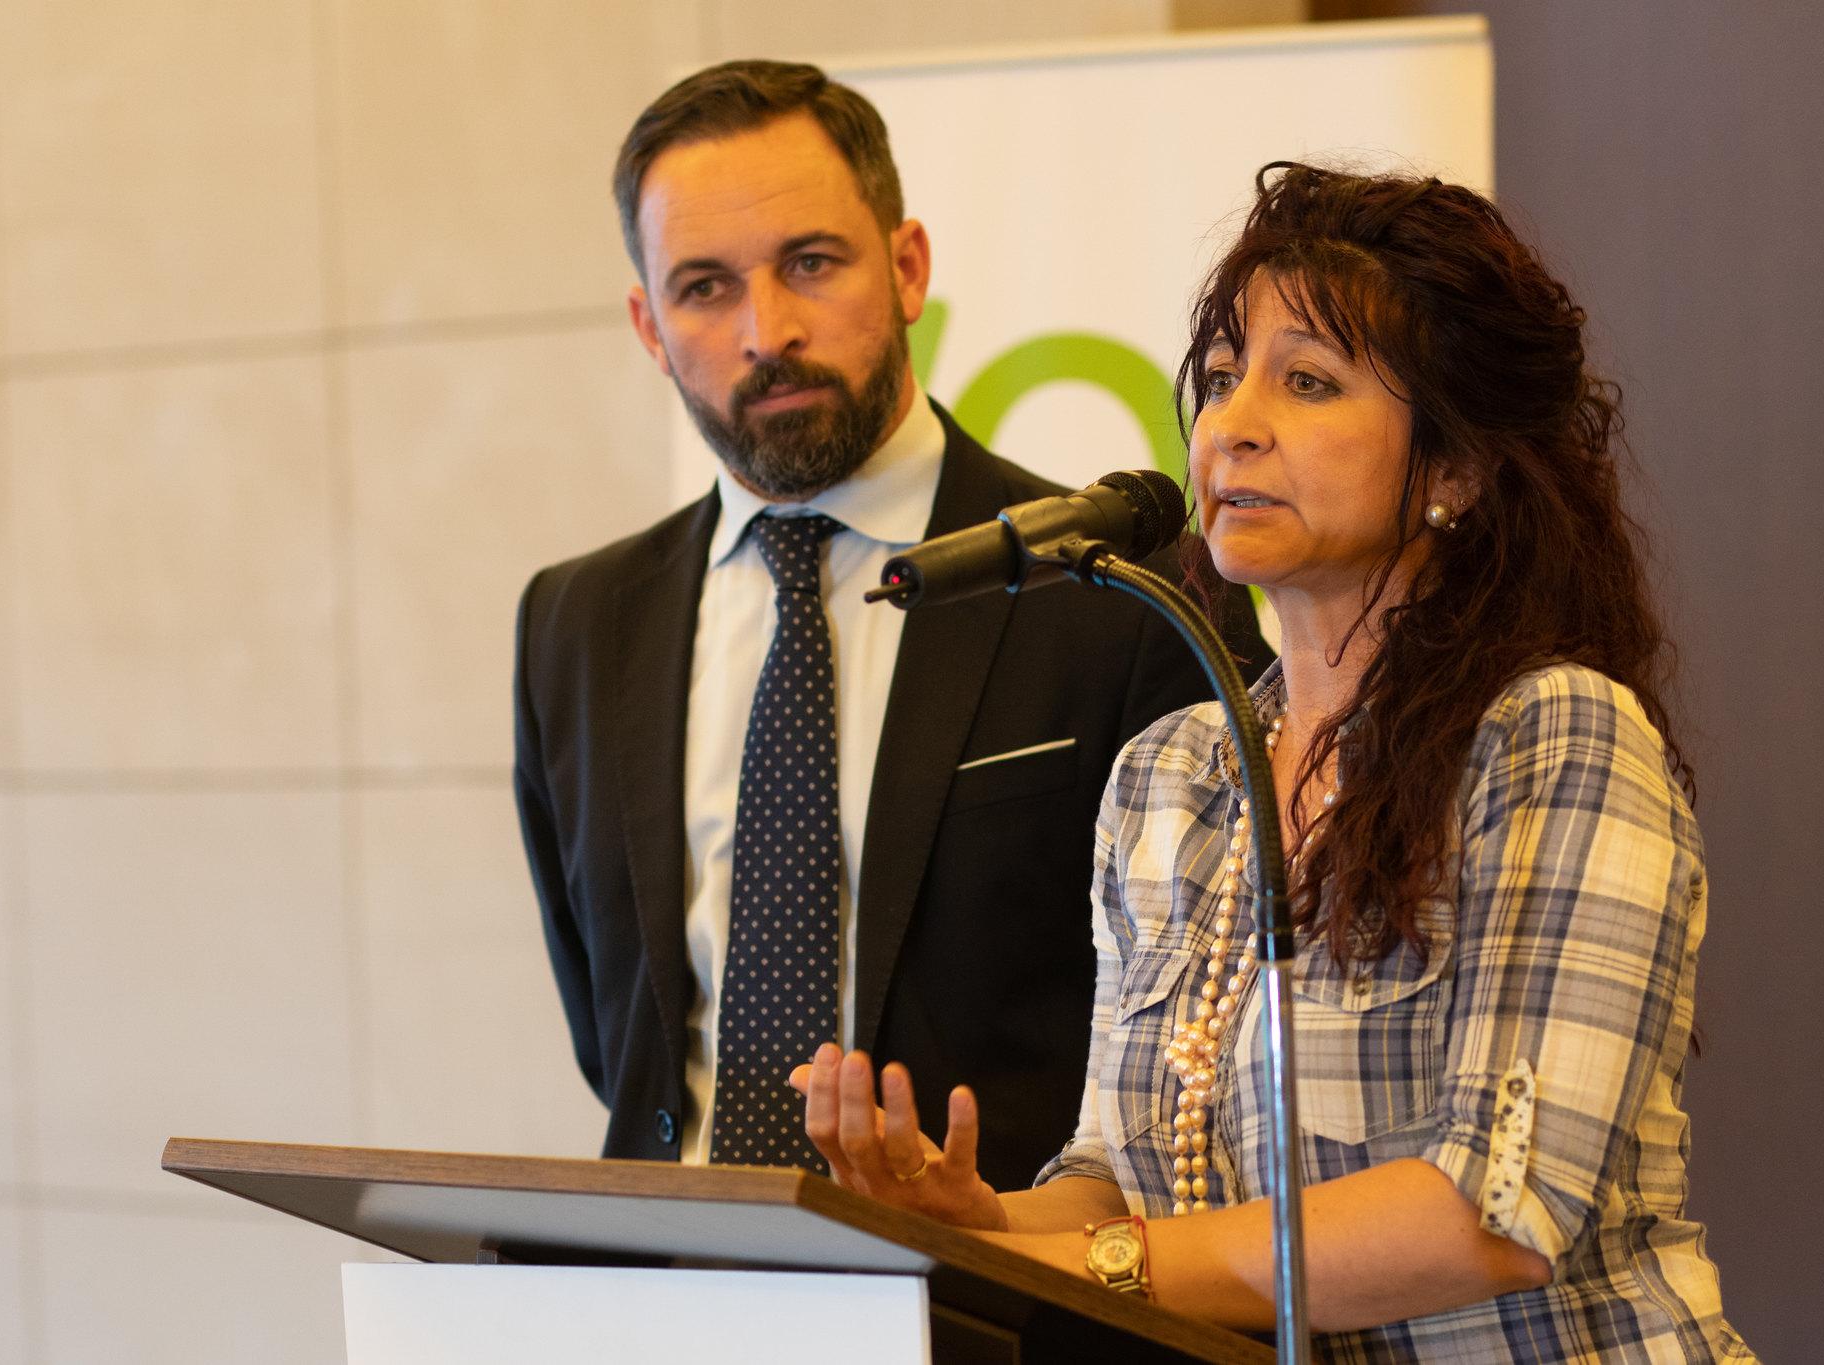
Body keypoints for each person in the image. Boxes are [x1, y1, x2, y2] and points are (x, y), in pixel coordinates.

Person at [797, 162, 1753, 1360]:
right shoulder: (1173, 775)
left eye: (1306, 382)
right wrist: (974, 1228)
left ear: (1454, 470)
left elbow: (1496, 1212)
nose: (1231, 424)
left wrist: (1083, 1263)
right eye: (1217, 378)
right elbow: (1120, 1181)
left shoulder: (1551, 736)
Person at [513, 61, 1256, 1191]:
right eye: (704, 288)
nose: (768, 330)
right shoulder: (575, 624)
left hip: (1010, 1313)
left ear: (907, 268)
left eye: (809, 264)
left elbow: (1221, 1034)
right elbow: (616, 1033)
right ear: (648, 325)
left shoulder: (1125, 589)